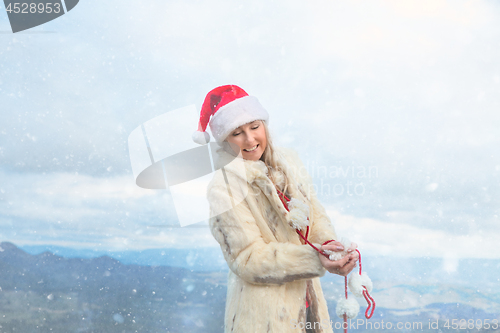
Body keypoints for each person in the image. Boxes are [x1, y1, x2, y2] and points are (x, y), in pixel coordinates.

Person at [192, 85, 359, 333]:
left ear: (265, 126)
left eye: (255, 127)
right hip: (262, 319)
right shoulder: (224, 187)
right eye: (237, 133)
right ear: (225, 141)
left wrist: (332, 248)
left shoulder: (290, 162)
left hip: (310, 308)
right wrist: (315, 259)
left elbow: (315, 214)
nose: (250, 139)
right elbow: (248, 259)